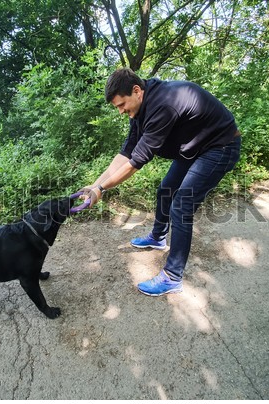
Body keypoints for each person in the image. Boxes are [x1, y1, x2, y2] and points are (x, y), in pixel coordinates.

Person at [79, 68, 241, 296]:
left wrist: (102, 190)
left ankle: (173, 277)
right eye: (117, 107)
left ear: (137, 91)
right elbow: (127, 152)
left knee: (182, 205)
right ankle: (157, 237)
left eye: (121, 104)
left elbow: (136, 161)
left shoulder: (163, 104)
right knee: (166, 189)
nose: (120, 111)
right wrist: (94, 185)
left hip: (220, 146)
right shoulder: (140, 109)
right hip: (195, 148)